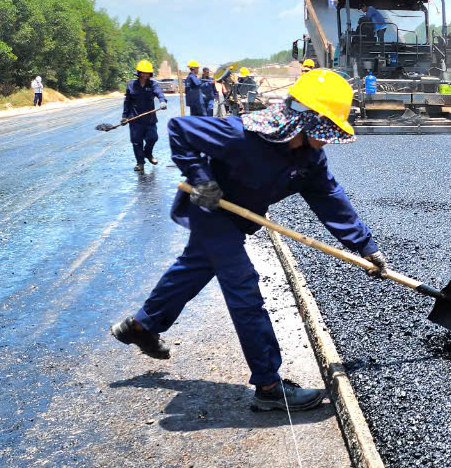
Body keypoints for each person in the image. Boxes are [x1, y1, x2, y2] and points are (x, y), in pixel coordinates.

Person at [109, 69, 389, 411]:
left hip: (239, 217)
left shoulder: (310, 157)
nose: (330, 139)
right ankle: (269, 387)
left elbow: (329, 197)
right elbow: (180, 130)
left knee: (193, 269)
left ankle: (140, 325)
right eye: (328, 129)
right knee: (244, 288)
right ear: (307, 120)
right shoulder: (242, 135)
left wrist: (366, 246)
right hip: (213, 212)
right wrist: (200, 179)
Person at [122, 59, 168, 171]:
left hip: (149, 119)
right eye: (143, 72)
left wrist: (163, 101)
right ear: (138, 72)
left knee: (153, 138)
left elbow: (159, 94)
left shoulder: (153, 84)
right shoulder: (131, 85)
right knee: (136, 142)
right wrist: (124, 116)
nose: (145, 74)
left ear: (150, 73)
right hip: (135, 119)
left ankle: (148, 153)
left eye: (147, 72)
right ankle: (140, 163)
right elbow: (127, 101)